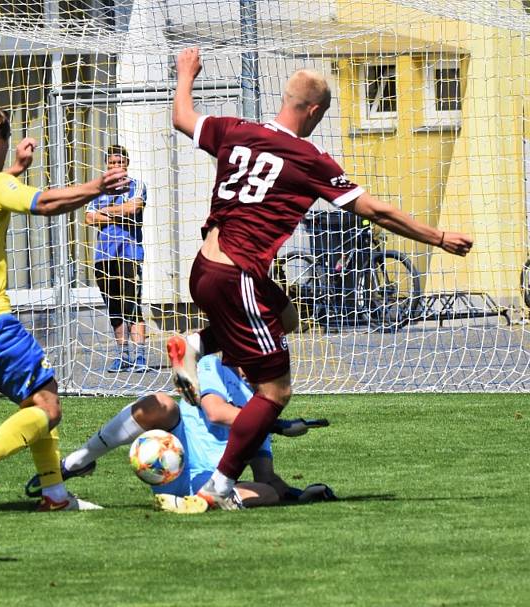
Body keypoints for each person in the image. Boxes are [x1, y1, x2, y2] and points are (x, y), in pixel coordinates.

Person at [167, 47, 474, 510]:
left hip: (204, 267)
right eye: (322, 113)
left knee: (287, 316)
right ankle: (219, 486)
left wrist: (186, 73)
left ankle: (197, 344)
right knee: (276, 391)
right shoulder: (308, 157)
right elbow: (377, 210)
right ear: (312, 110)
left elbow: (182, 116)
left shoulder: (234, 129)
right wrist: (439, 236)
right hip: (238, 275)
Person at [0, 101, 129, 516]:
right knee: (48, 407)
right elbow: (46, 203)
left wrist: (17, 171)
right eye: (6, 143)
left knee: (38, 399)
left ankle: (56, 496)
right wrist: (98, 186)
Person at [23, 354, 334, 512]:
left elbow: (266, 477)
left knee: (271, 492)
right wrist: (275, 424)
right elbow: (214, 410)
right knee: (161, 403)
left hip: (212, 484)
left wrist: (299, 494)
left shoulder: (262, 405)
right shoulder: (215, 365)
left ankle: (195, 506)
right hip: (175, 463)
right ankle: (78, 461)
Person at [85, 145, 148, 372]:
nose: (115, 167)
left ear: (126, 164)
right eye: (111, 163)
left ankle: (140, 356)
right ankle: (123, 356)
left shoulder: (136, 185)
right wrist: (118, 211)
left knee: (132, 306)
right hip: (104, 256)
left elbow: (134, 208)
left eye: (119, 163)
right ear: (107, 166)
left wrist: (108, 212)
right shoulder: (99, 190)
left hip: (129, 254)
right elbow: (90, 219)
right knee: (114, 308)